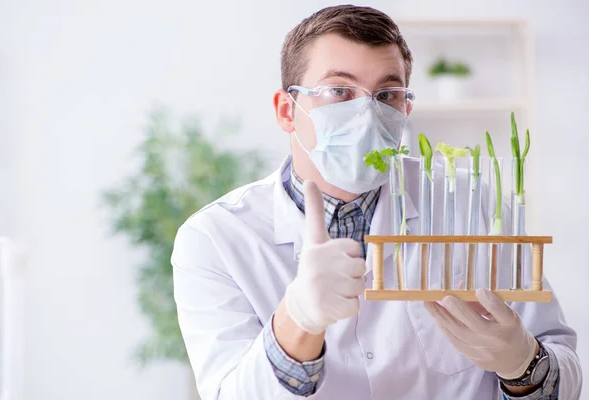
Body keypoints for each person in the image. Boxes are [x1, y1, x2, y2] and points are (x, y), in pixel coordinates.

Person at [171, 5, 582, 399]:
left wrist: (524, 365)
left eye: (386, 94)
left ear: (406, 107)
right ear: (286, 110)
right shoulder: (215, 239)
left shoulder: (471, 204)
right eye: (338, 91)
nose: (366, 113)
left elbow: (564, 372)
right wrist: (295, 323)